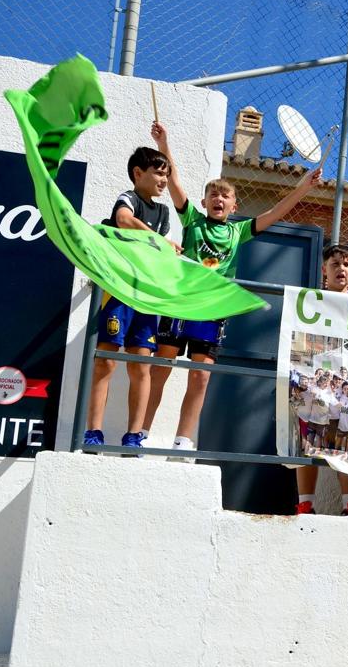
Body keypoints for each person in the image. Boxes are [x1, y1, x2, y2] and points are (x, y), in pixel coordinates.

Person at [142, 120, 322, 457]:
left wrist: (305, 187)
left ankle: (182, 440)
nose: (218, 198)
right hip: (180, 304)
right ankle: (142, 433)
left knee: (200, 377)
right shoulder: (192, 220)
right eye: (213, 194)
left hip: (211, 310)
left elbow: (277, 210)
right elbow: (175, 180)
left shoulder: (239, 232)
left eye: (225, 195)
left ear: (234, 207)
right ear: (205, 201)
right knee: (161, 367)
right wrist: (164, 143)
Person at [84, 145, 179, 450]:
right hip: (117, 293)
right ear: (139, 173)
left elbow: (156, 256)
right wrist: (158, 240)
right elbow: (123, 220)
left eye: (167, 174)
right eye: (158, 173)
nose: (164, 180)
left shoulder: (163, 212)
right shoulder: (129, 198)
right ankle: (93, 432)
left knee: (141, 366)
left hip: (145, 298)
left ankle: (133, 436)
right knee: (106, 362)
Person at [293, 246, 348, 516]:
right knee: (307, 437)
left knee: (347, 441)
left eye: (346, 264)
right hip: (316, 381)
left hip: (347, 385)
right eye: (335, 264)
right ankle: (305, 503)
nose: (341, 269)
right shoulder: (310, 301)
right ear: (324, 269)